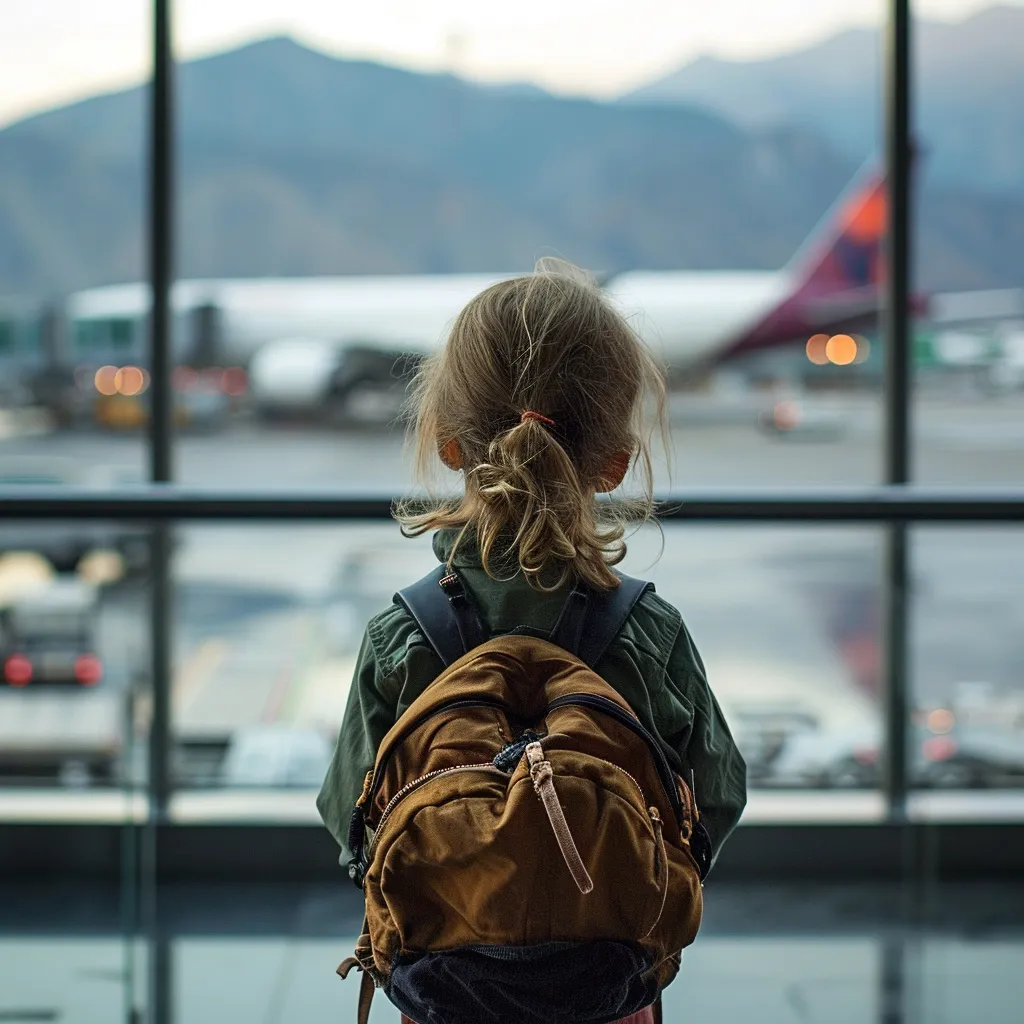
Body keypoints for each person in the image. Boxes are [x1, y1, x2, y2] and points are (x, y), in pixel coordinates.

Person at [318, 260, 747, 1024]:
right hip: (609, 995)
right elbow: (716, 799)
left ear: (450, 446)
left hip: (445, 996)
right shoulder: (650, 631)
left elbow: (347, 816)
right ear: (614, 463)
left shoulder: (401, 636)